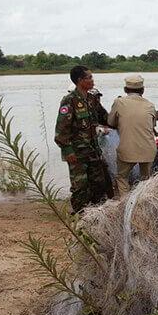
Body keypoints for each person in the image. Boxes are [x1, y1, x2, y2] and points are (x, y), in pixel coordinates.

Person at [54, 65, 114, 213]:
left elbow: (106, 118)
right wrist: (68, 151)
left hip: (93, 151)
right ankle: (80, 215)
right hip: (77, 153)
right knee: (80, 187)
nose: (92, 80)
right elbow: (61, 131)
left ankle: (96, 214)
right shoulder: (69, 101)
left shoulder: (92, 99)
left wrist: (124, 116)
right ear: (80, 80)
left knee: (98, 184)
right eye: (89, 77)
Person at [107, 74, 157, 197]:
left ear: (125, 90)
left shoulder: (119, 102)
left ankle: (126, 204)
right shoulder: (150, 105)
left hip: (127, 150)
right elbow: (152, 125)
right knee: (146, 179)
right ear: (143, 90)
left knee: (122, 177)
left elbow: (110, 122)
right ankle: (144, 201)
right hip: (148, 150)